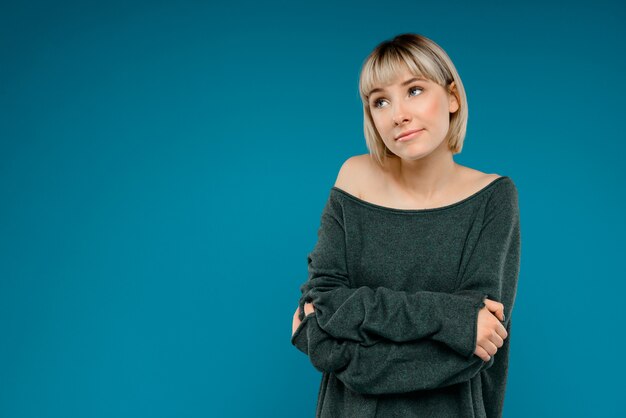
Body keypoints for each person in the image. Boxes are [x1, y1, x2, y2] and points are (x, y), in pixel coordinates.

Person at [290, 33, 521, 418]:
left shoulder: (494, 197)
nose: (398, 114)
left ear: (452, 97)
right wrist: (453, 318)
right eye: (380, 101)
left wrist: (332, 351)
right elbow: (326, 299)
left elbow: (477, 350)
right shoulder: (355, 177)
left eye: (414, 90)